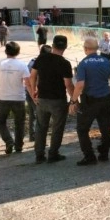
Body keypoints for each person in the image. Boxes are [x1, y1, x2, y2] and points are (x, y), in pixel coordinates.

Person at [70, 37, 110, 166]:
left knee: (82, 129)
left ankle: (89, 156)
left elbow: (80, 84)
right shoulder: (106, 61)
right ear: (97, 49)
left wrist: (73, 101)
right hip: (105, 99)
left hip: (90, 102)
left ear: (85, 49)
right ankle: (104, 153)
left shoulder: (83, 64)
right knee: (105, 128)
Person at [0, 42, 32, 154]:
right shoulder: (22, 65)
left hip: (2, 98)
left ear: (6, 51)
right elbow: (28, 83)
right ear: (18, 52)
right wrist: (33, 96)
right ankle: (19, 146)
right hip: (18, 98)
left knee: (0, 121)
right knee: (20, 122)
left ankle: (9, 142)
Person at [30, 35, 74, 164]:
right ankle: (53, 154)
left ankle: (39, 155)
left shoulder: (41, 58)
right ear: (65, 47)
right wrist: (74, 100)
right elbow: (68, 84)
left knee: (41, 127)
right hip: (58, 100)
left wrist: (33, 91)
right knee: (57, 128)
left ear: (53, 45)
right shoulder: (65, 63)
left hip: (42, 99)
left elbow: (32, 76)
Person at [26, 45, 52, 142]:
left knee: (34, 115)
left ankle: (33, 136)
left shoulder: (33, 61)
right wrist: (33, 94)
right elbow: (29, 80)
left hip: (32, 92)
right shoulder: (36, 63)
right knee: (39, 117)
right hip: (34, 93)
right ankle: (38, 139)